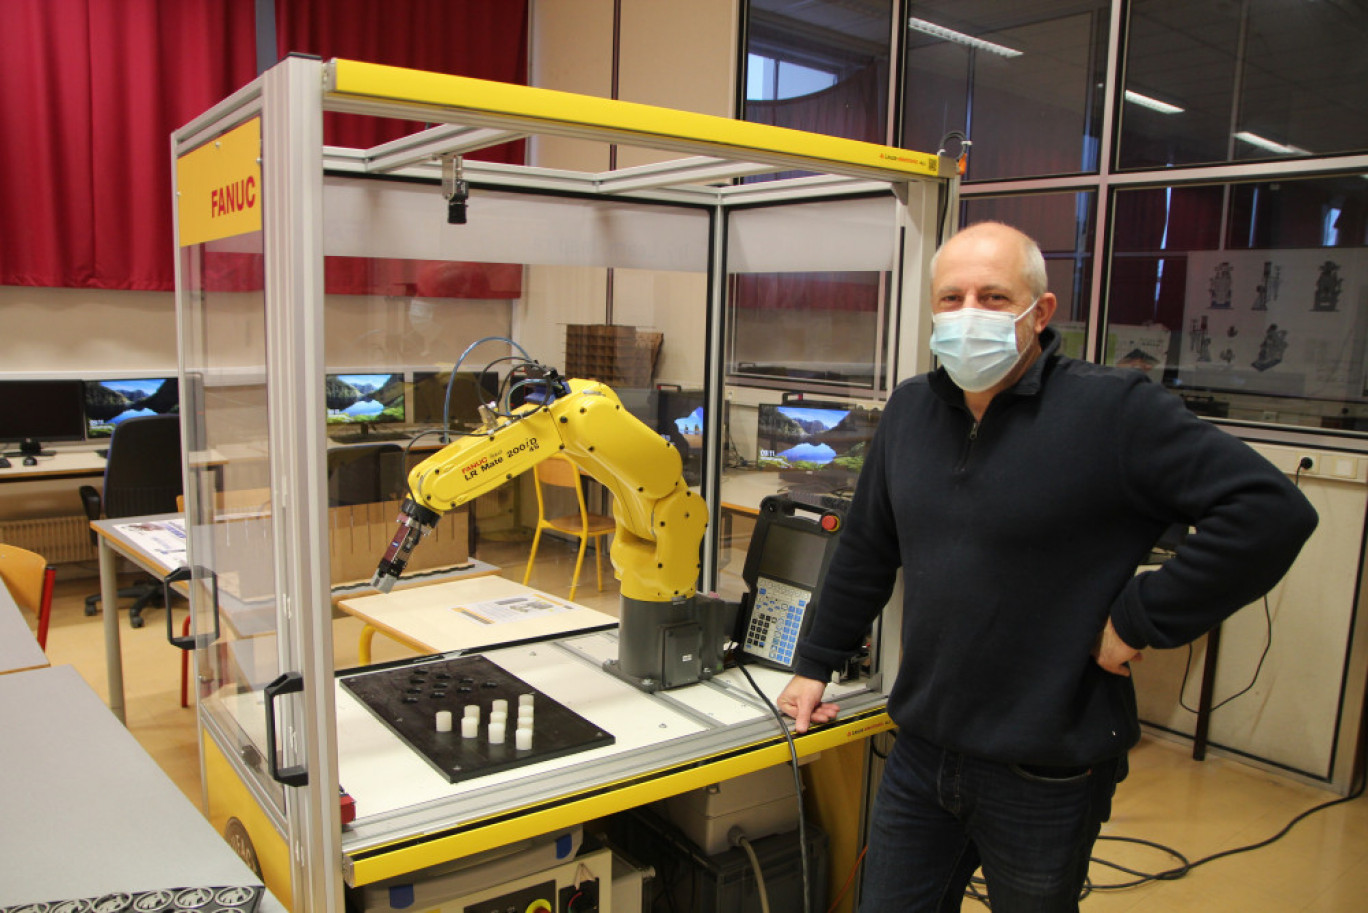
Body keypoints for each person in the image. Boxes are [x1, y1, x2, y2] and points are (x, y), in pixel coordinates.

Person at [776, 221, 1318, 912]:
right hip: (922, 746)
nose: (969, 313)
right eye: (952, 297)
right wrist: (816, 660)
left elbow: (1269, 511)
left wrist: (1140, 617)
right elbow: (866, 547)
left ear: (1041, 312)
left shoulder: (1111, 411)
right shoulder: (911, 410)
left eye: (994, 297)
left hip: (1048, 766)